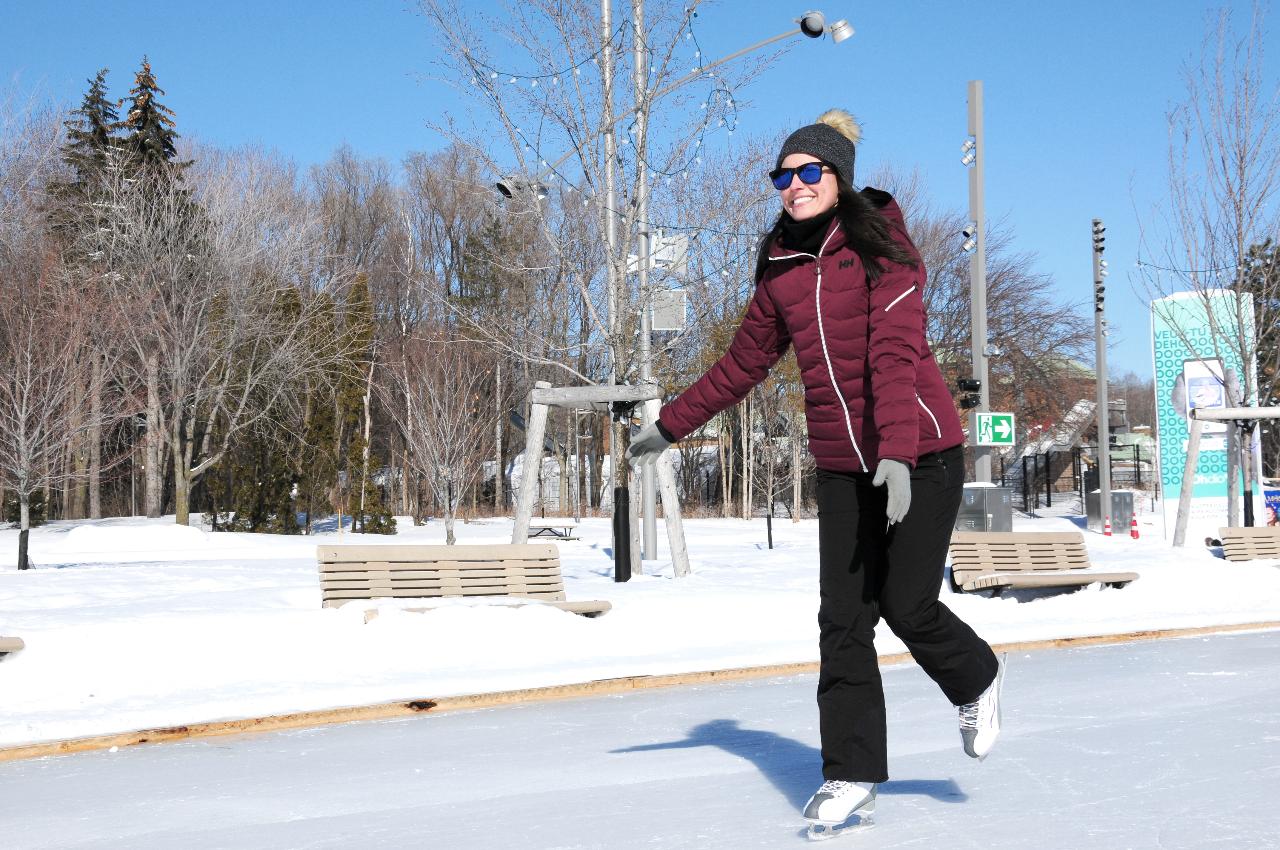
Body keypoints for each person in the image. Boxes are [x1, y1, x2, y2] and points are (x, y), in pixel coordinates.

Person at [627, 109, 1003, 837]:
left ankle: (977, 677)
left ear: (839, 178)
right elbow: (743, 363)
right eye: (783, 176)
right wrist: (669, 425)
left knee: (907, 605)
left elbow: (893, 356)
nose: (793, 187)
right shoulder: (780, 264)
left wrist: (896, 451)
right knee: (843, 622)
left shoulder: (881, 247)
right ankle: (851, 774)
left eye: (808, 172)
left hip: (920, 456)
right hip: (841, 465)